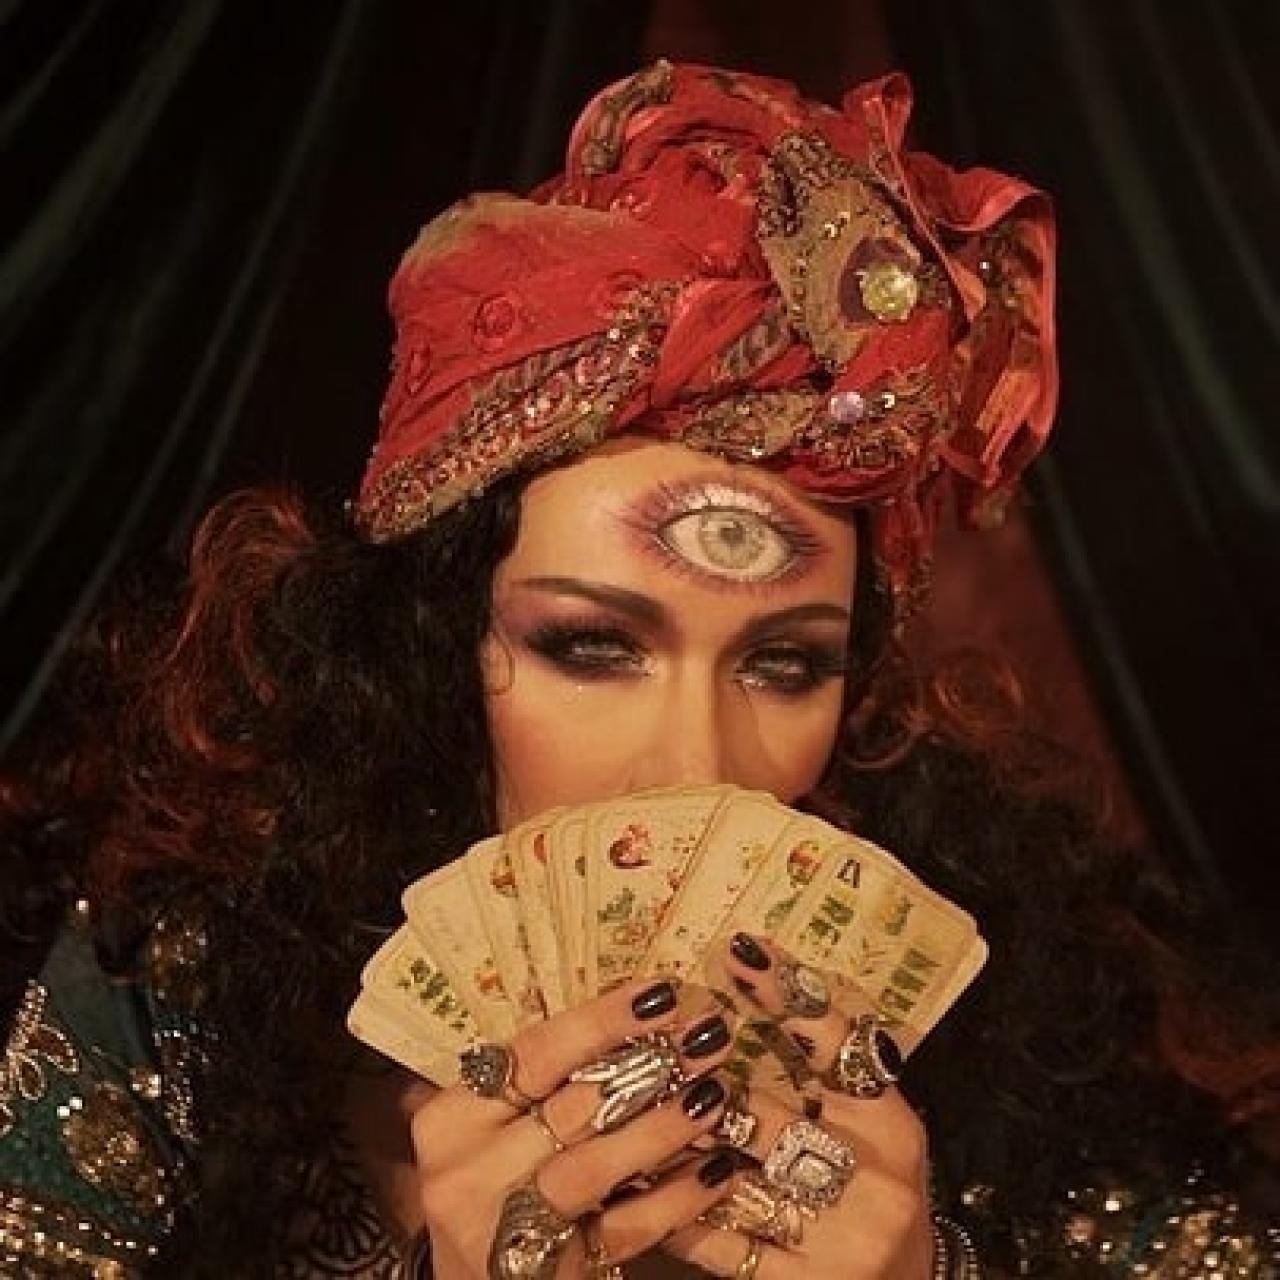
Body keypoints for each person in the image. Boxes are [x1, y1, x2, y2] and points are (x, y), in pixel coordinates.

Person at [1, 60, 1277, 1279]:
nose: (692, 765)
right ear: (434, 647)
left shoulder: (1023, 1036)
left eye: (783, 662)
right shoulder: (177, 993)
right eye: (590, 646)